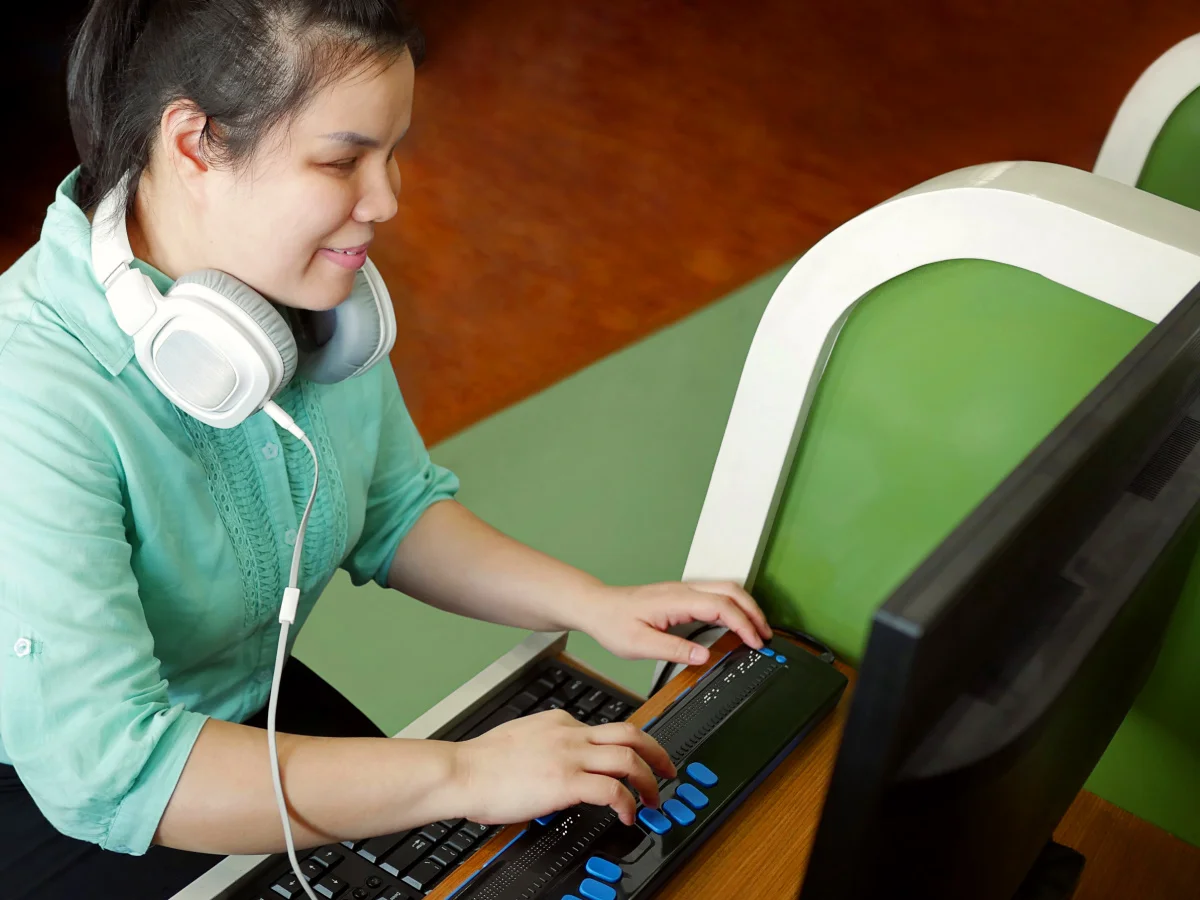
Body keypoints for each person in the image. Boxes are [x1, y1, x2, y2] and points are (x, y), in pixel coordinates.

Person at [0, 1, 773, 896]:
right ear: (195, 142)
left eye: (391, 150)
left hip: (246, 708)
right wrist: (462, 775)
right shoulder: (32, 393)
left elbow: (393, 505)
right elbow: (116, 770)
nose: (387, 200)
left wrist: (596, 602)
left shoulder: (300, 292)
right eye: (341, 160)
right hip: (63, 786)